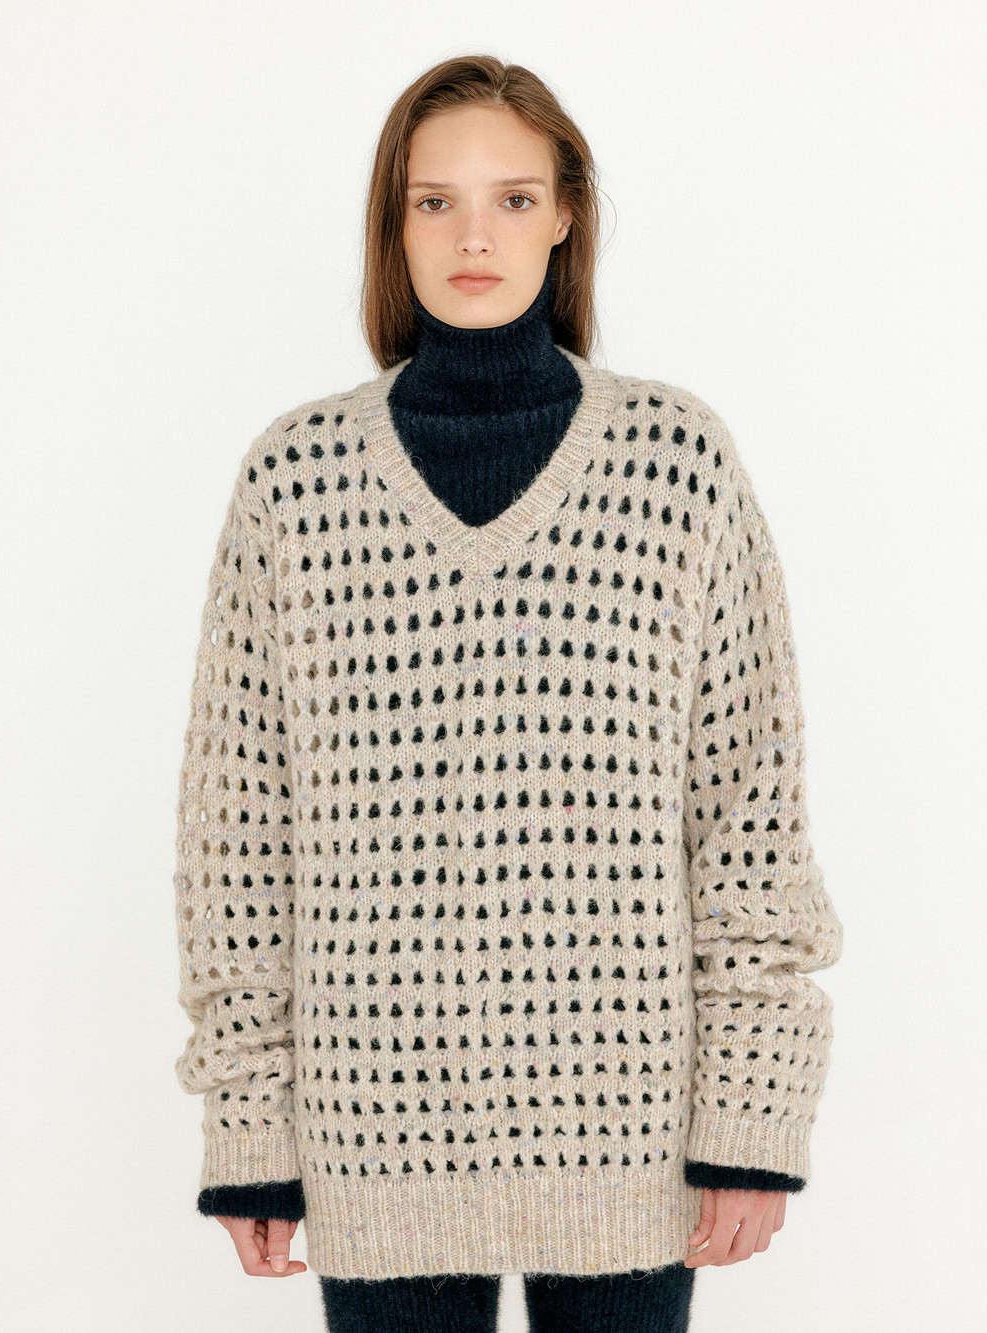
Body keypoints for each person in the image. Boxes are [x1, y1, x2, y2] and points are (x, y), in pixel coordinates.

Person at [171, 54, 844, 1333]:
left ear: (566, 216)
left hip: (633, 1130)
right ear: (392, 223)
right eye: (434, 202)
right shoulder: (294, 482)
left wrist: (753, 1110)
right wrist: (250, 1126)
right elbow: (238, 836)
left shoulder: (674, 464)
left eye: (513, 199)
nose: (473, 236)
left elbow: (748, 814)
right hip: (375, 1131)